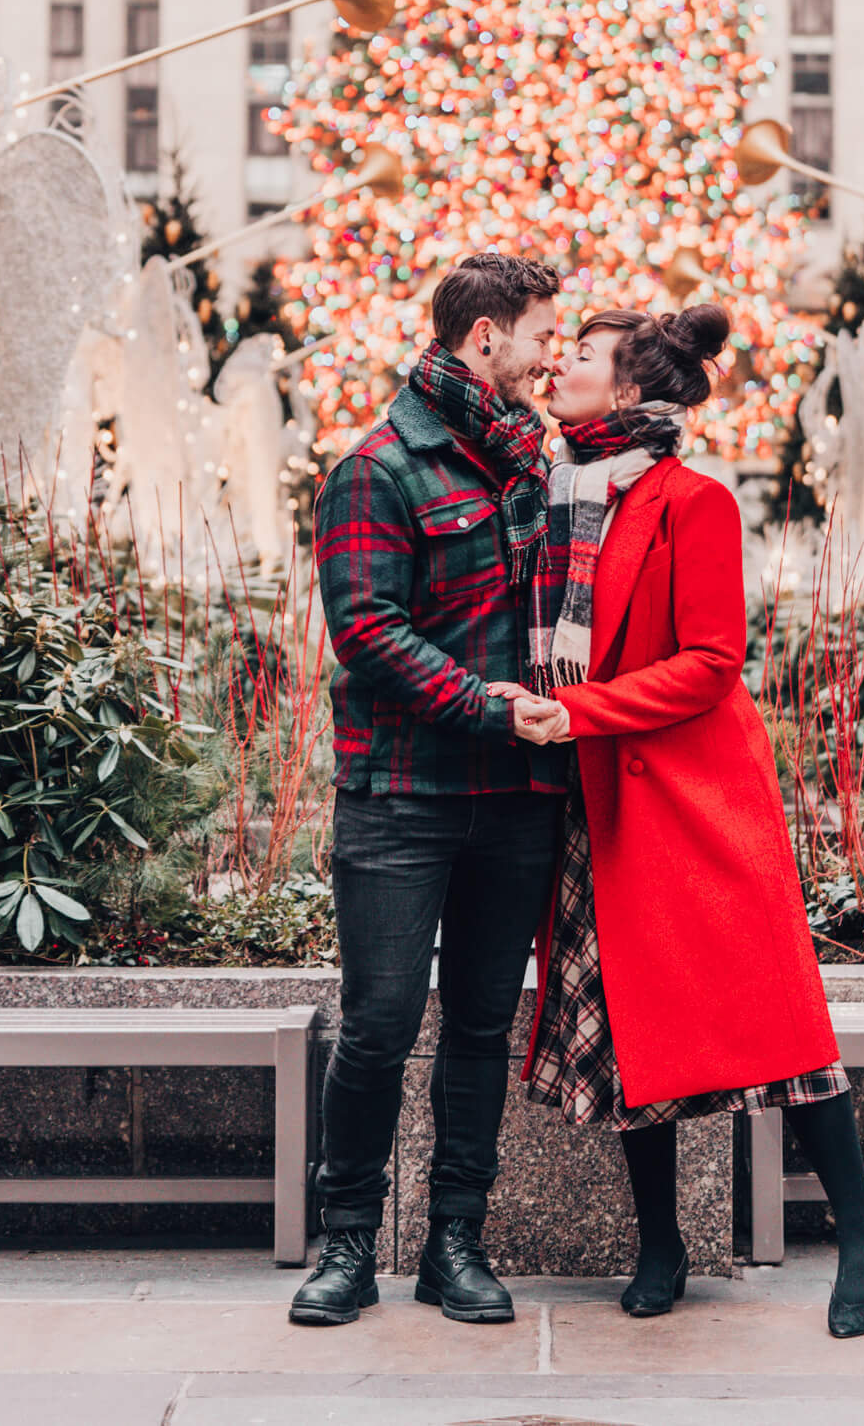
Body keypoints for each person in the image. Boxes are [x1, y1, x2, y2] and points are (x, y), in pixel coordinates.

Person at [502, 305, 864, 1335]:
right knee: (634, 1034)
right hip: (595, 798)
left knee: (783, 1030)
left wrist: (575, 709)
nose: (557, 366)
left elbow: (712, 662)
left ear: (628, 391)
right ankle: (659, 1244)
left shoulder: (691, 500)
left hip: (692, 800)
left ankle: (860, 1239)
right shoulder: (551, 492)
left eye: (578, 357)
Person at [289, 253, 570, 1329]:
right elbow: (366, 634)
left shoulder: (530, 463)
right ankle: (347, 1244)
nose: (551, 358)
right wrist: (487, 705)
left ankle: (455, 1240)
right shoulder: (377, 467)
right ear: (486, 337)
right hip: (400, 798)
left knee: (483, 1023)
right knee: (379, 1023)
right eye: (542, 337)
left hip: (514, 799)